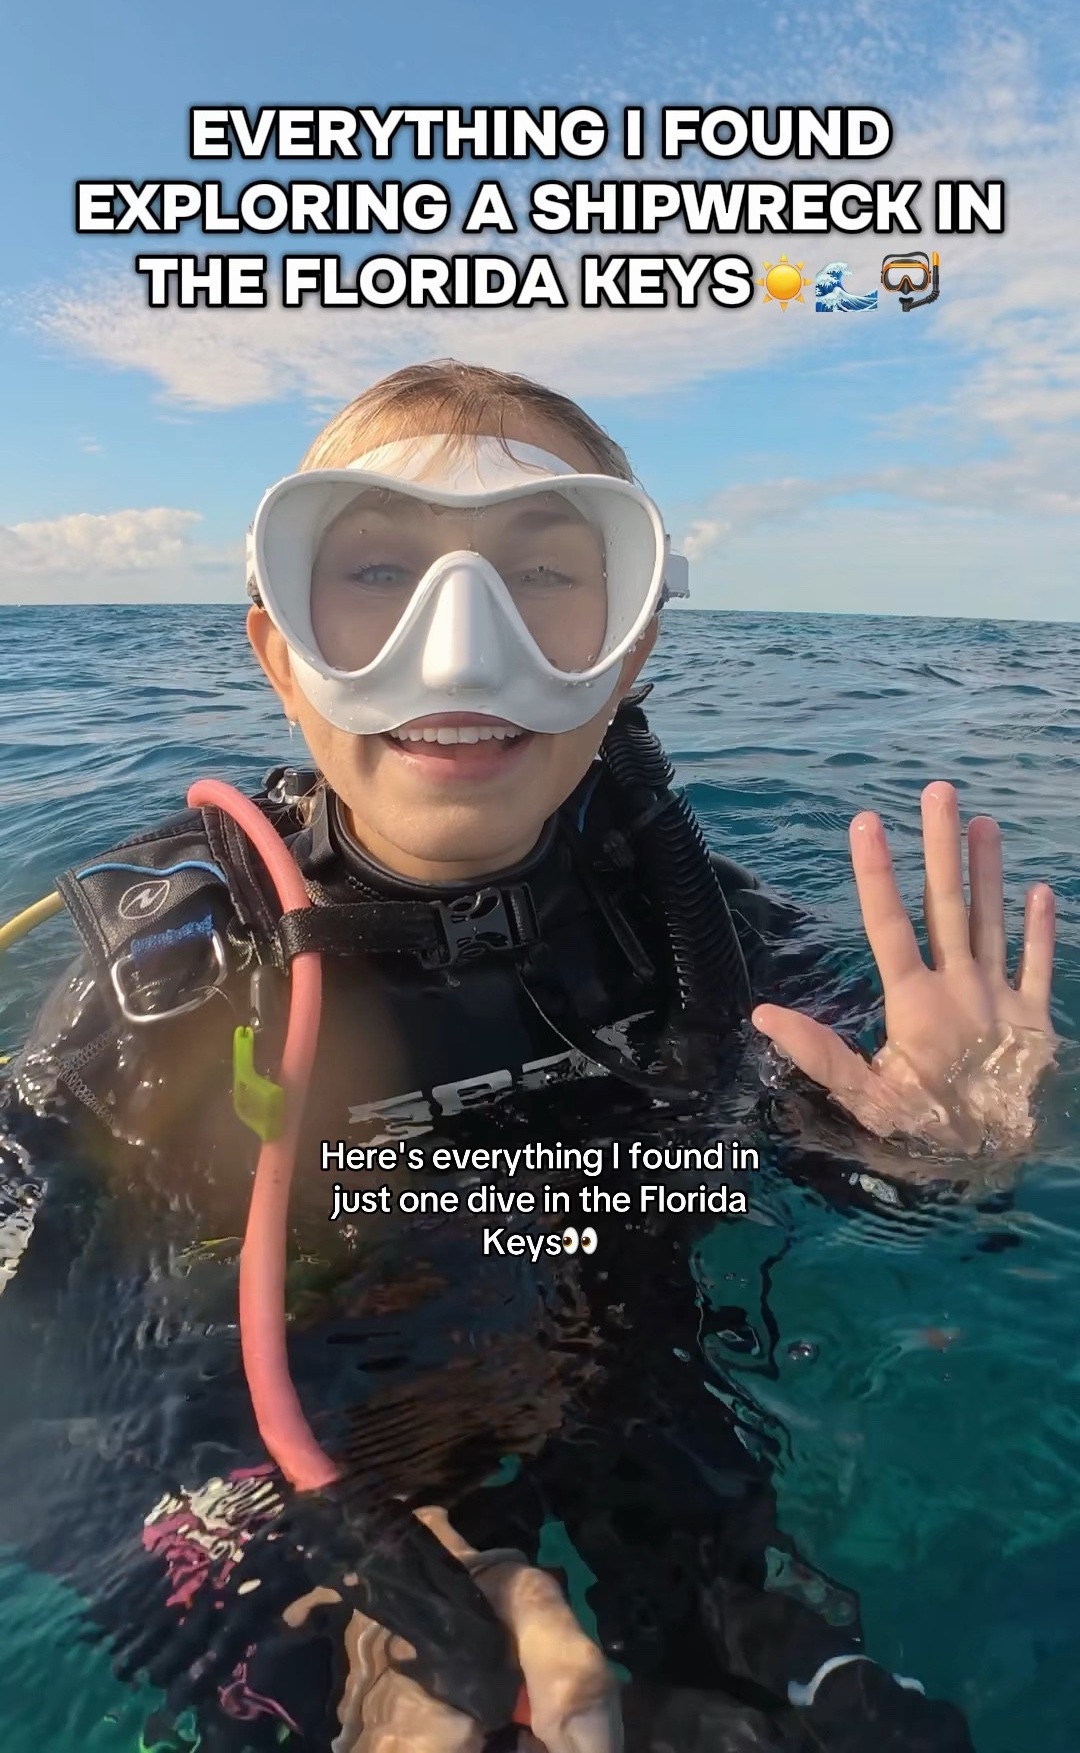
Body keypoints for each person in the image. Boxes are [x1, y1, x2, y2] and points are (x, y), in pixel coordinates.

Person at [0, 359, 1057, 1753]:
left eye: (549, 573)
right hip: (301, 1462)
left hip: (635, 1382)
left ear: (628, 654)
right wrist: (315, 1629)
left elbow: (854, 1166)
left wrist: (949, 1162)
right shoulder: (163, 987)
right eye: (375, 568)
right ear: (279, 653)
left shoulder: (711, 943)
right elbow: (37, 1410)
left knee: (810, 1700)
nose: (461, 644)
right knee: (400, 1701)